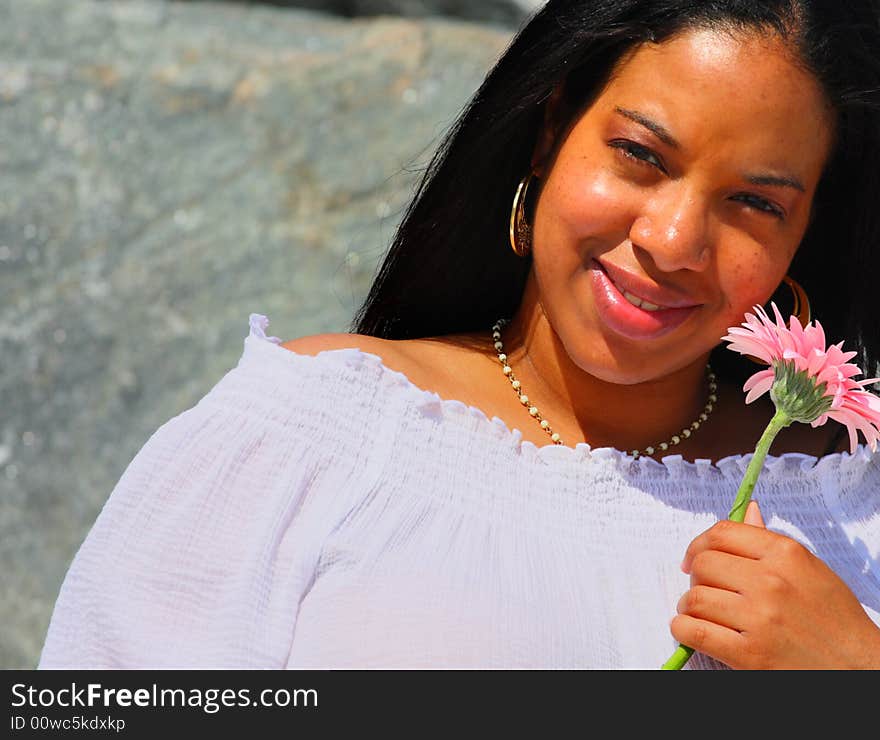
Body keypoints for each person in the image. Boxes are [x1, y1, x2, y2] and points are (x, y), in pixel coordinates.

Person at [39, 0, 880, 670]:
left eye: (755, 203)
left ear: (806, 231)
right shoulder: (309, 438)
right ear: (552, 131)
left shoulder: (852, 504)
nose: (671, 239)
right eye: (640, 155)